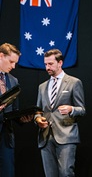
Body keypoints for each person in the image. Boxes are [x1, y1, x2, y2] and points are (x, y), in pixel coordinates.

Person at [34, 49, 86, 177]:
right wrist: (37, 119)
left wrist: (71, 109)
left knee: (65, 173)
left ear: (60, 63)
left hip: (66, 135)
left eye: (50, 64)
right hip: (45, 137)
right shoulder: (42, 86)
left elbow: (82, 109)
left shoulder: (74, 82)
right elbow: (38, 111)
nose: (47, 67)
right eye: (45, 64)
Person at [0, 43, 33, 177]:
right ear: (1, 56)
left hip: (6, 136)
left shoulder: (13, 81)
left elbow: (15, 109)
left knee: (7, 172)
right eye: (11, 62)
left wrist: (22, 119)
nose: (13, 66)